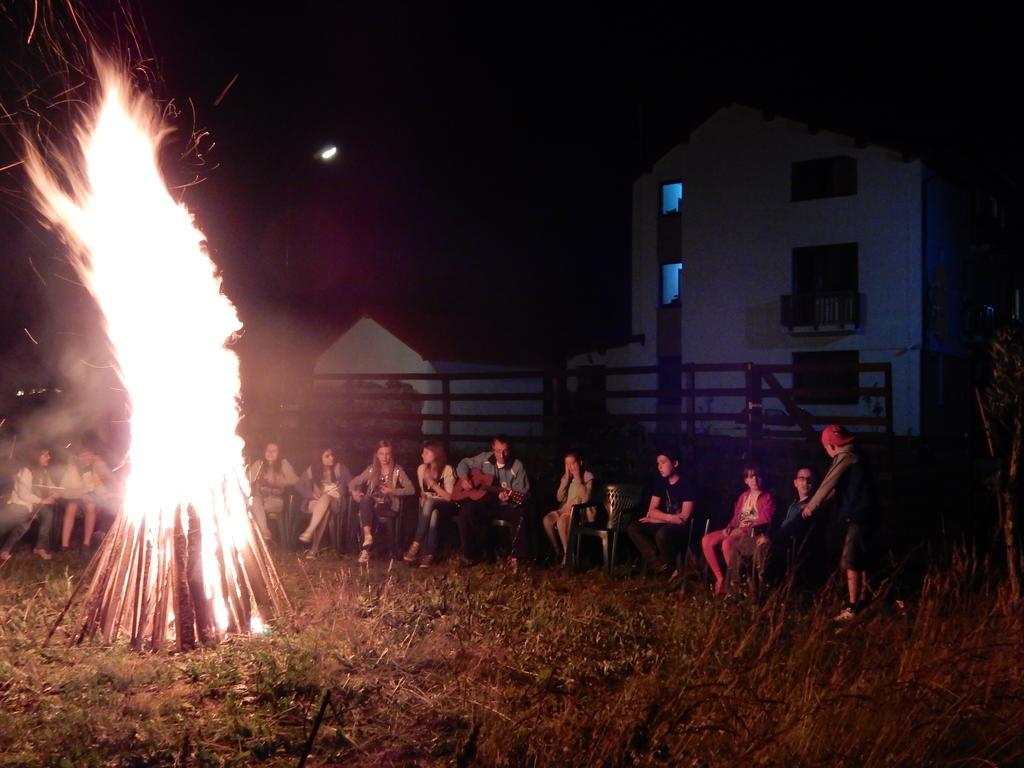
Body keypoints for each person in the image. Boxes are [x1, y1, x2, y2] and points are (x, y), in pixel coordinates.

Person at [801, 425, 876, 622]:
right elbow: (836, 488)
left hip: (859, 515)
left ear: (830, 445)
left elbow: (829, 482)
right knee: (861, 557)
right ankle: (864, 600)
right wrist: (818, 503)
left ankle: (852, 608)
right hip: (866, 513)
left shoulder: (845, 456)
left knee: (851, 559)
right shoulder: (857, 454)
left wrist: (811, 507)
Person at [455, 436, 531, 568]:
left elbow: (523, 492)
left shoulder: (517, 466)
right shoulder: (485, 459)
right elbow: (464, 463)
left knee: (521, 514)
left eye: (505, 451)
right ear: (493, 449)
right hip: (486, 503)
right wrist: (464, 478)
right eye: (498, 450)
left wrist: (509, 497)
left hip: (505, 506)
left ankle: (517, 557)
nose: (501, 455)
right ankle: (471, 555)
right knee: (466, 511)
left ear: (510, 450)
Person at [701, 464, 776, 595]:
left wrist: (745, 529)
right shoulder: (744, 496)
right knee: (707, 540)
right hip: (737, 529)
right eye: (751, 477)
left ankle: (737, 581)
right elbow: (737, 517)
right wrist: (730, 526)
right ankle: (721, 579)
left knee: (727, 543)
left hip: (750, 532)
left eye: (757, 476)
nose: (754, 480)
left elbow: (765, 521)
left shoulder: (767, 497)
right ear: (746, 480)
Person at [627, 450, 695, 577]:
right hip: (665, 522)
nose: (659, 466)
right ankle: (661, 565)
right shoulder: (661, 484)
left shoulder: (687, 485)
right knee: (634, 528)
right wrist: (669, 518)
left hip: (679, 528)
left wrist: (658, 519)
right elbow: (651, 510)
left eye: (663, 462)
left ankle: (667, 567)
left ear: (675, 463)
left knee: (662, 533)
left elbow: (683, 519)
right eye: (658, 463)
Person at [349, 441, 414, 564]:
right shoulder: (371, 470)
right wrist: (354, 492)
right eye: (381, 454)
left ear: (391, 454)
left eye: (387, 454)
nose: (384, 457)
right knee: (366, 500)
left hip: (388, 505)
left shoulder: (397, 471)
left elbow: (411, 489)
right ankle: (368, 537)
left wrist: (392, 490)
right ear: (377, 455)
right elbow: (353, 482)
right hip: (372, 504)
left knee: (367, 510)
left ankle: (366, 550)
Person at [753, 467, 817, 581]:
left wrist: (770, 538)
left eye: (809, 479)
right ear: (795, 483)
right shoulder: (792, 504)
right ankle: (733, 589)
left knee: (763, 548)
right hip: (776, 537)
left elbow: (793, 528)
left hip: (787, 544)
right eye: (801, 479)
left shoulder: (811, 506)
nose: (805, 482)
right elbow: (776, 522)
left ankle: (763, 587)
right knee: (739, 544)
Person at [403, 441, 457, 567]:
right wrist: (422, 497)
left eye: (426, 453)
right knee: (433, 511)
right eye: (423, 452)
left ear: (436, 454)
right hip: (430, 507)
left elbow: (449, 497)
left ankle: (416, 544)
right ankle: (429, 555)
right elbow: (423, 492)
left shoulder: (447, 470)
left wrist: (432, 483)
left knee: (432, 503)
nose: (422, 455)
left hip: (447, 506)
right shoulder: (421, 469)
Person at [0, 446, 59, 562]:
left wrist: (55, 491)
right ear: (37, 457)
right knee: (23, 526)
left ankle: (40, 547)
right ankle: (4, 550)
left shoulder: (44, 471)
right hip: (21, 504)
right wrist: (43, 501)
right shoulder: (26, 471)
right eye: (46, 455)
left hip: (34, 504)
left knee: (47, 514)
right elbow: (24, 494)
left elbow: (50, 486)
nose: (49, 457)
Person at [295, 447, 352, 559]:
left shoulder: (340, 468)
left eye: (332, 454)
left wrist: (354, 491)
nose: (332, 457)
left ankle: (310, 530)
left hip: (335, 502)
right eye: (327, 456)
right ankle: (313, 550)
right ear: (319, 458)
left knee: (326, 498)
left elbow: (352, 483)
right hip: (317, 503)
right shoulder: (312, 470)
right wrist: (311, 494)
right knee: (325, 511)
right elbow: (299, 485)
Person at [60, 445, 118, 551]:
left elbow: (97, 485)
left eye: (89, 456)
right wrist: (83, 495)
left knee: (91, 506)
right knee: (72, 507)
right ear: (79, 457)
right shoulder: (73, 468)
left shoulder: (90, 469)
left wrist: (107, 495)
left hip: (82, 497)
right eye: (84, 456)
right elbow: (73, 486)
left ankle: (86, 544)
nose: (87, 458)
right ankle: (65, 544)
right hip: (68, 495)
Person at [541, 451, 594, 565]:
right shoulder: (567, 478)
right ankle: (557, 550)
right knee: (547, 520)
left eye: (573, 463)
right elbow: (559, 498)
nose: (570, 467)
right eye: (567, 464)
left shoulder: (587, 476)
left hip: (578, 512)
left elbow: (586, 498)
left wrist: (578, 478)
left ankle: (568, 555)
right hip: (565, 509)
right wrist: (565, 479)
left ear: (579, 463)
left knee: (562, 522)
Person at [246, 441, 299, 542]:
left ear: (279, 453)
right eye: (268, 450)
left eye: (274, 451)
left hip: (275, 500)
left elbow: (295, 480)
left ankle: (260, 536)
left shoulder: (283, 464)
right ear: (264, 452)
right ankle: (265, 530)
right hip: (260, 498)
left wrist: (278, 482)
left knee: (254, 507)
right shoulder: (259, 463)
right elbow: (247, 479)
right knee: (254, 501)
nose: (270, 453)